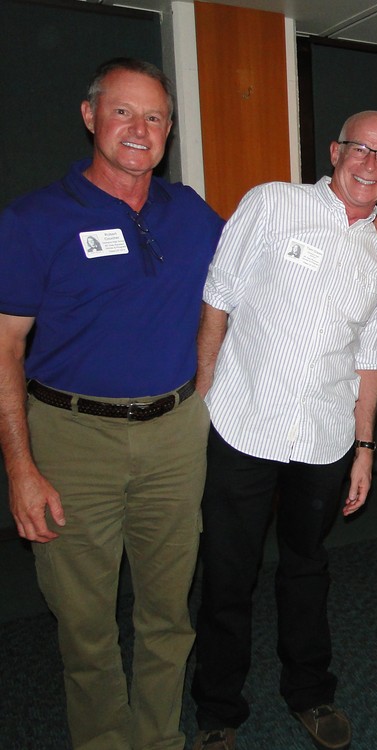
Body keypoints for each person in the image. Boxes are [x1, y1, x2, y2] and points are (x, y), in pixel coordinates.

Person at [0, 58, 223, 749]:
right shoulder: (34, 219)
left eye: (154, 117)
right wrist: (21, 469)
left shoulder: (189, 213)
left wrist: (352, 232)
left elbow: (257, 271)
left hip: (173, 437)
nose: (139, 129)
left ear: (169, 131)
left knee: (168, 615)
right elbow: (5, 350)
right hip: (72, 439)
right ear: (90, 115)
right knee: (85, 624)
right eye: (123, 111)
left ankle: (159, 739)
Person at [189, 111, 377, 750]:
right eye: (360, 149)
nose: (369, 164)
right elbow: (218, 299)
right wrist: (202, 403)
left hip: (323, 439)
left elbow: (372, 358)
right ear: (335, 151)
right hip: (242, 424)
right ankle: (217, 710)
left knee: (307, 568)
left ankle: (309, 692)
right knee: (228, 575)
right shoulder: (272, 204)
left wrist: (364, 448)